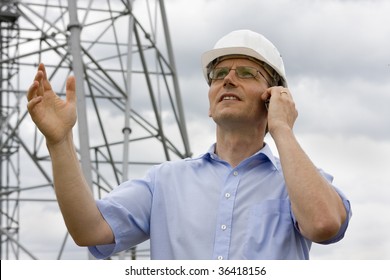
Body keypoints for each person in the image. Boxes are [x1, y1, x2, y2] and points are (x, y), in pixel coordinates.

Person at [27, 29, 351, 260]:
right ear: (210, 104)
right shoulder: (164, 182)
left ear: (274, 98)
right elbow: (89, 230)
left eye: (247, 73)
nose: (228, 79)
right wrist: (60, 141)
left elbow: (323, 224)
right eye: (220, 72)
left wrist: (282, 128)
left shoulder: (300, 183)